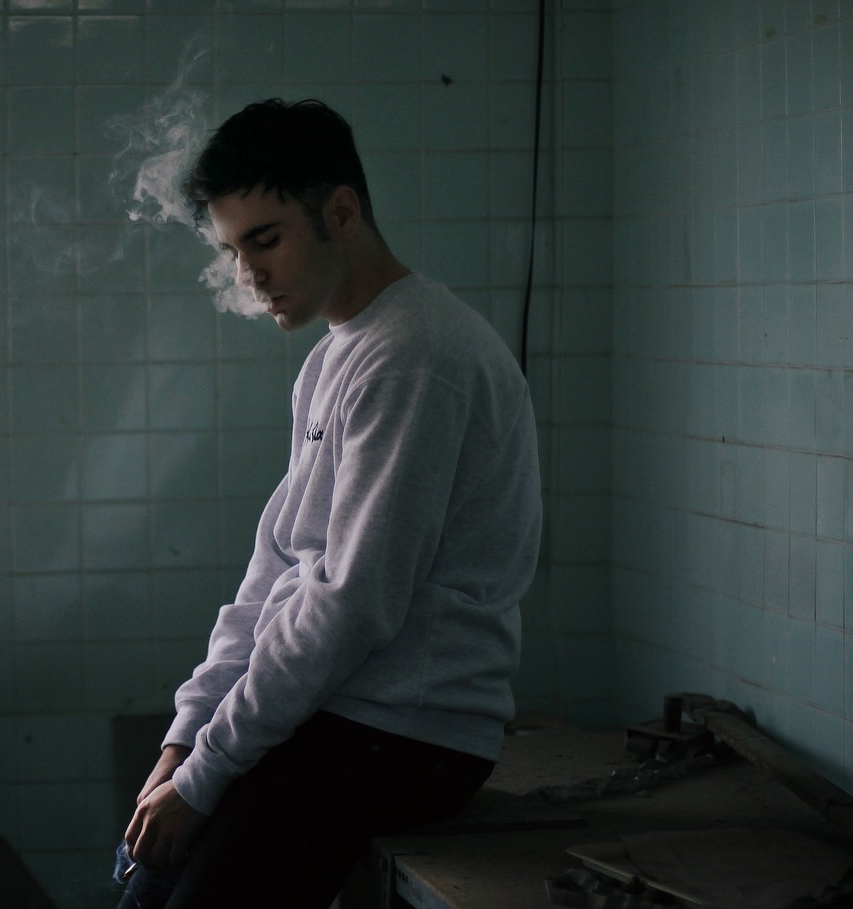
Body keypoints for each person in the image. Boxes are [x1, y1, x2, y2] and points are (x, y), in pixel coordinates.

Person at [114, 98, 543, 909]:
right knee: (148, 881)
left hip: (406, 733)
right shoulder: (335, 357)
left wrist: (206, 773)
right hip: (342, 716)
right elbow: (273, 570)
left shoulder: (414, 356)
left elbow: (351, 603)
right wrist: (184, 740)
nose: (248, 276)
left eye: (264, 240)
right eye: (232, 251)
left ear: (341, 212)